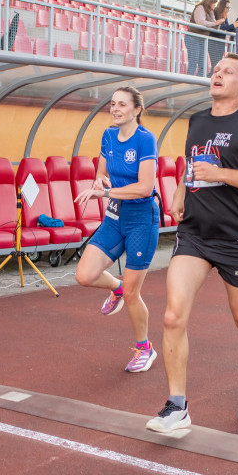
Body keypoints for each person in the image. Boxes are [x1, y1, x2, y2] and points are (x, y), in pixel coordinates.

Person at [146, 53, 238, 433]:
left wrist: (221, 172)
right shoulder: (198, 120)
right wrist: (179, 192)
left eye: (227, 72)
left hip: (235, 239)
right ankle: (177, 406)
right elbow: (193, 164)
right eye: (216, 70)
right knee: (173, 315)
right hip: (194, 235)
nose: (217, 74)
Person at [74, 86, 161, 373]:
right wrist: (99, 182)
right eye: (113, 103)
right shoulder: (109, 135)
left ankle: (144, 348)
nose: (115, 108)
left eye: (122, 104)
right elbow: (102, 172)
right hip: (115, 217)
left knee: (135, 294)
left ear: (137, 110)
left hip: (141, 220)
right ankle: (117, 287)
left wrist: (107, 194)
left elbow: (145, 187)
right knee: (84, 275)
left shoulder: (145, 140)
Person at [186, 0, 224, 77]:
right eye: (214, 3)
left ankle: (197, 85)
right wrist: (214, 23)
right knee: (193, 63)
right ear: (209, 2)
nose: (214, 5)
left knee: (203, 66)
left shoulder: (210, 11)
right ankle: (187, 83)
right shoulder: (200, 7)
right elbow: (200, 22)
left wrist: (217, 23)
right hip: (193, 38)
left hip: (202, 40)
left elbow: (214, 25)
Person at [206, 0, 232, 71]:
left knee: (218, 64)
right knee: (215, 65)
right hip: (213, 43)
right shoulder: (215, 13)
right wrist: (232, 26)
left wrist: (234, 28)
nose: (228, 10)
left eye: (229, 8)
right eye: (227, 7)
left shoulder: (224, 15)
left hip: (220, 43)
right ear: (222, 6)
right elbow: (217, 26)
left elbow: (227, 27)